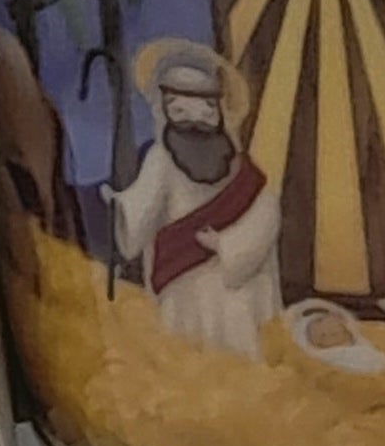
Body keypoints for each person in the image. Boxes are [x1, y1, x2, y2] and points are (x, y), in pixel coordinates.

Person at [101, 40, 282, 358]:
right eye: (180, 110)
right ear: (165, 111)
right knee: (187, 350)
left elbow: (266, 209)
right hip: (181, 280)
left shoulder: (240, 169)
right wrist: (121, 209)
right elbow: (139, 210)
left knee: (239, 335)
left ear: (218, 112)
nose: (194, 120)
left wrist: (227, 244)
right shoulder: (161, 160)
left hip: (235, 282)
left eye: (204, 110)